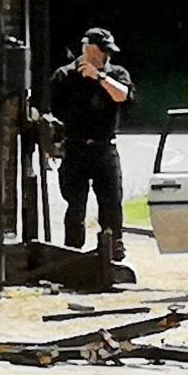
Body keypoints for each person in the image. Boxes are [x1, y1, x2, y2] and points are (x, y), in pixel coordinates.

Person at [50, 27, 135, 261]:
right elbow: (52, 113)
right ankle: (72, 253)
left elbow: (123, 96)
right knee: (75, 204)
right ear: (88, 49)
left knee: (111, 203)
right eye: (102, 51)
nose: (106, 56)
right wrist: (53, 145)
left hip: (104, 147)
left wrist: (99, 77)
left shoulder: (116, 73)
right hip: (75, 147)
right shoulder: (65, 76)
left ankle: (112, 251)